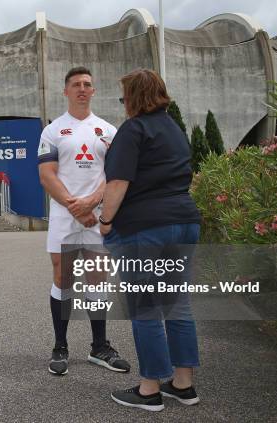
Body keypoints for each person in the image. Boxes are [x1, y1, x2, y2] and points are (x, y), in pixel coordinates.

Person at [99, 68, 202, 411]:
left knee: (146, 308)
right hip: (184, 222)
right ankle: (183, 385)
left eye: (124, 97)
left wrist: (105, 220)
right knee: (177, 304)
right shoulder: (174, 130)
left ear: (133, 98)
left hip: (145, 227)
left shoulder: (134, 129)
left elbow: (118, 184)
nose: (123, 104)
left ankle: (149, 389)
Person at [37, 66, 130, 376]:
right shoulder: (52, 131)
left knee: (97, 278)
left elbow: (116, 175)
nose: (81, 88)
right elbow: (46, 175)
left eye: (87, 84)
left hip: (97, 214)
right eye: (75, 84)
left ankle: (100, 347)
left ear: (93, 91)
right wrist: (75, 206)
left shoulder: (108, 131)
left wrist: (93, 202)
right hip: (65, 215)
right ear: (65, 91)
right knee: (63, 279)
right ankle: (60, 346)